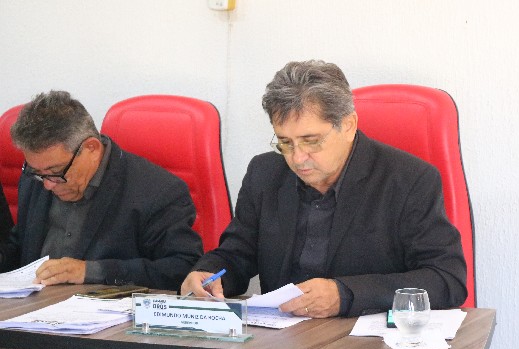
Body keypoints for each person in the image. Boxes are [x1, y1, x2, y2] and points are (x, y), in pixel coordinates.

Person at [182, 60, 467, 317]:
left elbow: (446, 280)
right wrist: (208, 274)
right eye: (285, 143)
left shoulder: (409, 180)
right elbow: (237, 254)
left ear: (348, 125)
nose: (297, 158)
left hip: (367, 344)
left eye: (311, 141)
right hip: (282, 341)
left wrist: (345, 295)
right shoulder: (265, 173)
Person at [0, 90, 203, 290]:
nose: (48, 184)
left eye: (56, 172)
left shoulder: (158, 191)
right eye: (37, 172)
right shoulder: (36, 178)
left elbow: (182, 267)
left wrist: (90, 271)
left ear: (91, 148)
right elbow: (21, 247)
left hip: (106, 306)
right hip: (32, 304)